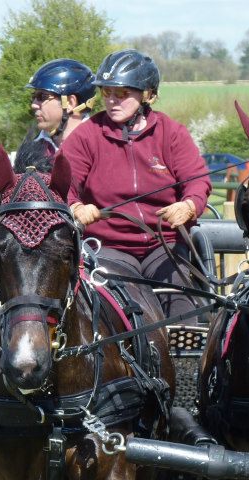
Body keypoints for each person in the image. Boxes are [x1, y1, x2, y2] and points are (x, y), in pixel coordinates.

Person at [60, 49, 211, 317]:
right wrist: (75, 207)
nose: (112, 101)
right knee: (126, 308)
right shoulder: (86, 137)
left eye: (122, 94)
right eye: (106, 93)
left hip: (164, 245)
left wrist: (189, 205)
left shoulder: (172, 133)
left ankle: (187, 356)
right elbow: (62, 186)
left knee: (182, 306)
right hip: (109, 248)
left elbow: (197, 181)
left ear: (148, 95)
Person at [24, 58, 97, 158]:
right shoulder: (31, 151)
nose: (34, 104)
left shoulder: (100, 146)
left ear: (70, 103)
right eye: (34, 97)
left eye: (42, 97)